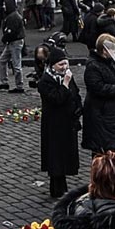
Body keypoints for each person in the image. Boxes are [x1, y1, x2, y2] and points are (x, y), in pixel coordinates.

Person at [37, 48, 84, 199]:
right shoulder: (45, 81)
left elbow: (75, 94)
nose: (64, 67)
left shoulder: (68, 77)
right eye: (60, 64)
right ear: (52, 66)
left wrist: (77, 109)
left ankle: (63, 186)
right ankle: (56, 188)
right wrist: (64, 84)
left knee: (65, 156)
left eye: (65, 63)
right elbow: (56, 99)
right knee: (55, 156)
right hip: (53, 125)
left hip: (67, 123)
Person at [82, 33, 115, 158]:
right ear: (105, 50)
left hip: (112, 113)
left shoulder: (110, 63)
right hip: (101, 114)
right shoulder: (93, 66)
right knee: (103, 152)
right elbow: (98, 88)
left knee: (114, 150)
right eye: (113, 48)